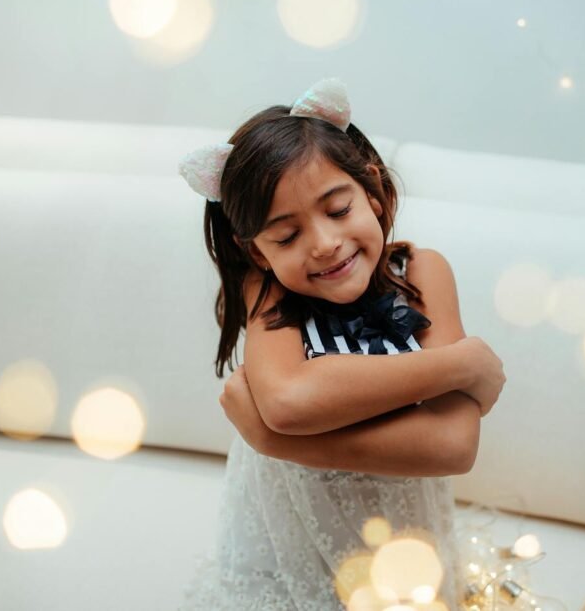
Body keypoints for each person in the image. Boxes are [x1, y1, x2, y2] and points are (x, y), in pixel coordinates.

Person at [177, 78, 506, 610]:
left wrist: (277, 440)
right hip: (288, 546)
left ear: (372, 192)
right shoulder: (267, 291)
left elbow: (453, 445)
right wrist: (460, 365)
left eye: (337, 209)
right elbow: (289, 402)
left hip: (401, 539)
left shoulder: (423, 272)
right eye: (286, 237)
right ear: (258, 253)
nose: (325, 244)